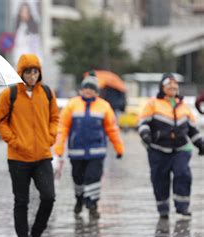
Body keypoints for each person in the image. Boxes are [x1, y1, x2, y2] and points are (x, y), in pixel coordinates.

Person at [0, 53, 59, 237]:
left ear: (39, 73)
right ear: (20, 73)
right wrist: (15, 141)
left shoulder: (47, 93)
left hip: (42, 155)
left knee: (48, 197)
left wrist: (50, 136)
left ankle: (37, 236)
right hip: (18, 158)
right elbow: (0, 122)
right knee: (21, 202)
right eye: (28, 71)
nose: (32, 75)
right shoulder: (9, 94)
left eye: (35, 71)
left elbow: (55, 118)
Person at [53, 71, 124, 219]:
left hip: (97, 151)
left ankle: (92, 205)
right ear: (81, 89)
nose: (88, 91)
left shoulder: (104, 106)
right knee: (78, 178)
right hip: (76, 152)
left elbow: (112, 129)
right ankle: (79, 200)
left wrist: (119, 148)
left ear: (96, 91)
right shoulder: (72, 105)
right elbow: (63, 127)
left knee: (94, 177)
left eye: (92, 88)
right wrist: (59, 147)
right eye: (86, 88)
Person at [138, 73, 204, 220]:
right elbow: (143, 123)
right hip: (158, 149)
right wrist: (146, 135)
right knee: (160, 178)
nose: (173, 88)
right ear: (162, 87)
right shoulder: (153, 103)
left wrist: (200, 143)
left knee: (183, 174)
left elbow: (192, 128)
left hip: (180, 148)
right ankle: (163, 208)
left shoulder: (183, 105)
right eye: (169, 85)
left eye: (175, 85)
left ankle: (182, 207)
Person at [12, 1, 44, 65]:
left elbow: (36, 47)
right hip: (18, 59)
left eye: (26, 12)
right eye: (22, 11)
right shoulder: (17, 28)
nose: (24, 14)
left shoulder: (33, 30)